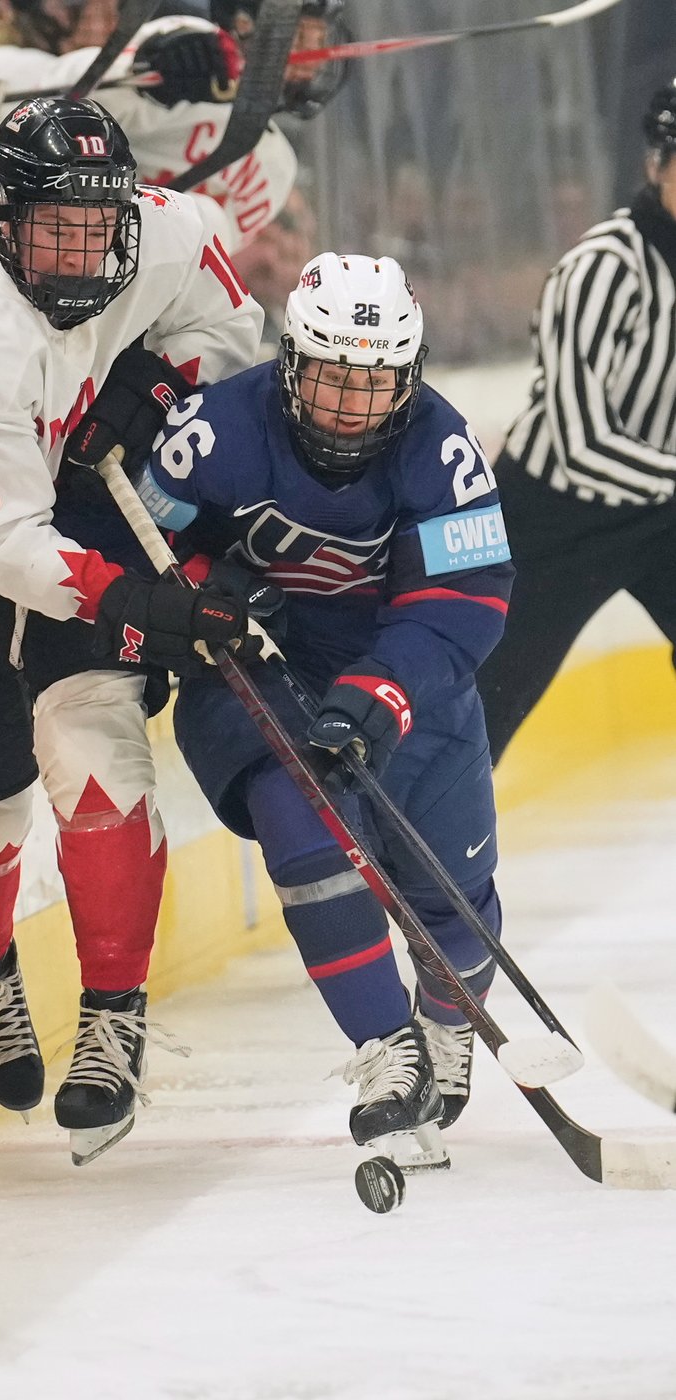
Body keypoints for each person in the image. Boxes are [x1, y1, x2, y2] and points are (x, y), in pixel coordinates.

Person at [0, 95, 264, 1164]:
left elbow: (233, 344)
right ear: (2, 219)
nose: (84, 251)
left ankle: (112, 1017)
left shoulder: (166, 236)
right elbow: (1, 547)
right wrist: (139, 601)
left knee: (102, 763)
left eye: (100, 224)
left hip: (73, 523)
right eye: (55, 227)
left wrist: (164, 385)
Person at [136, 252, 515, 1168]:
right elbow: (129, 539)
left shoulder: (439, 444)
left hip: (400, 677)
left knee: (453, 908)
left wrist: (376, 698)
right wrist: (193, 591)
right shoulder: (215, 433)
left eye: (375, 384)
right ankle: (386, 1052)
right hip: (255, 674)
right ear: (293, 361)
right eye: (333, 379)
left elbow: (464, 598)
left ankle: (442, 1013)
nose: (352, 406)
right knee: (299, 819)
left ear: (409, 376)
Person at [476, 82, 676, 766]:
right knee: (482, 701)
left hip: (663, 510)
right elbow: (582, 443)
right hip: (552, 516)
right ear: (656, 163)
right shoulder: (601, 268)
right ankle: (412, 856)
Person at [0, 0, 335, 252]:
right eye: (300, 37)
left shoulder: (277, 167)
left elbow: (204, 265)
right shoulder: (187, 41)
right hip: (28, 242)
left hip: (129, 301)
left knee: (207, 221)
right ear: (243, 24)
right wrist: (144, 72)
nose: (315, 61)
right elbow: (42, 105)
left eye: (321, 41)